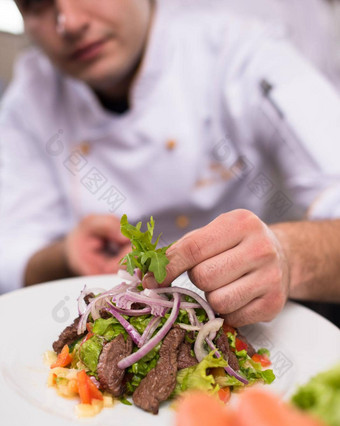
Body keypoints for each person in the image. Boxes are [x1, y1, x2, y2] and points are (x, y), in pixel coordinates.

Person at [1, 0, 340, 327]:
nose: (70, 23)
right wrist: (63, 258)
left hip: (248, 320)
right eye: (35, 2)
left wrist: (288, 257)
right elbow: (12, 251)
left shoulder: (240, 51)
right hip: (114, 309)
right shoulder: (29, 96)